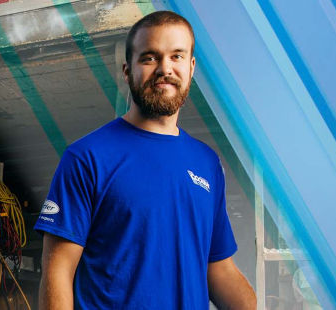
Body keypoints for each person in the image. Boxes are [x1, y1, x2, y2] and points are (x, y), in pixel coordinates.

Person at [32, 10, 255, 310]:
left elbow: (219, 269)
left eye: (177, 56)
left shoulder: (207, 164)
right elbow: (58, 271)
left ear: (191, 68)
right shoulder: (86, 158)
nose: (165, 68)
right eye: (150, 58)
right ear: (127, 71)